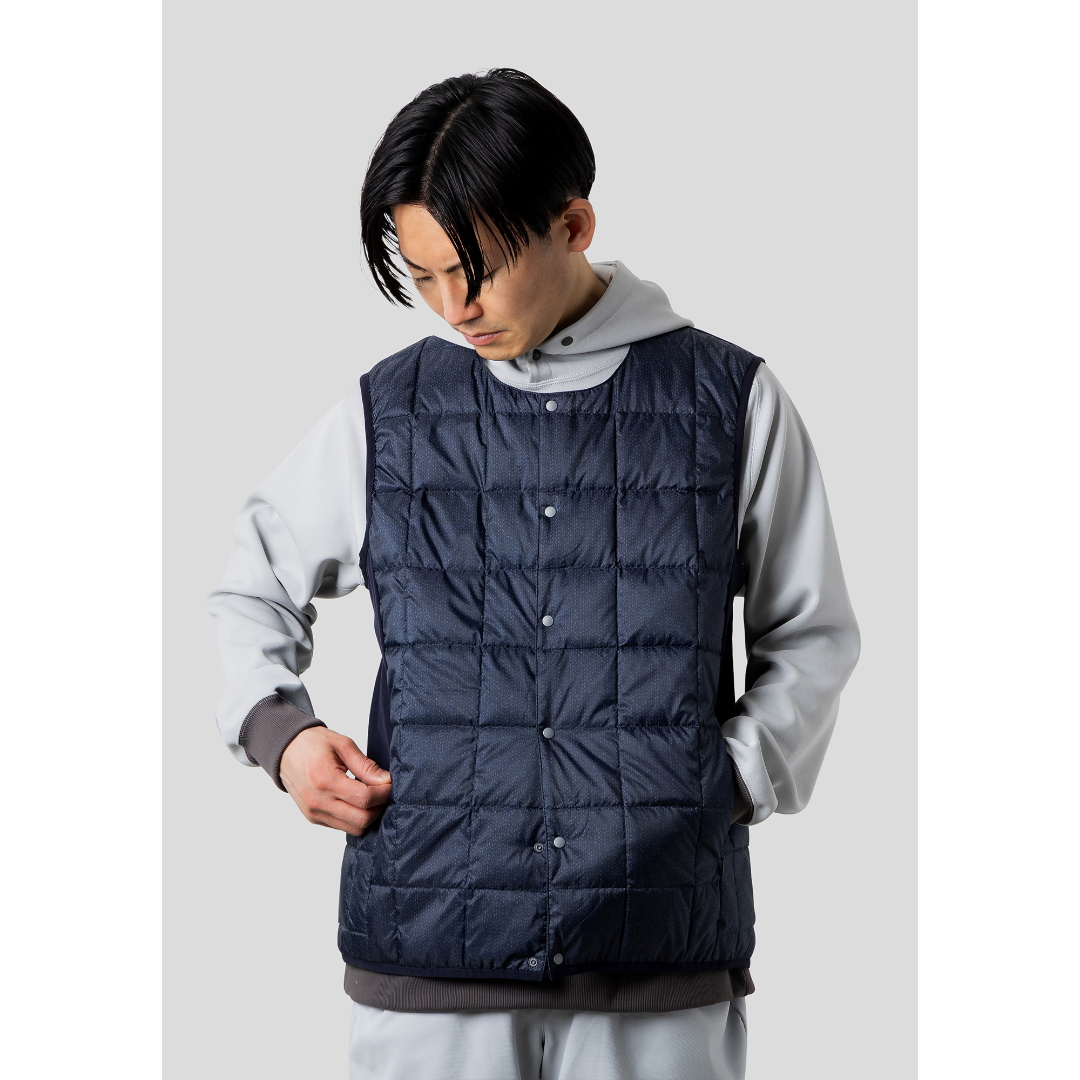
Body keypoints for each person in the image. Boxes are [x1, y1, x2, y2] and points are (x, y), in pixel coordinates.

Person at [208, 68, 861, 1080]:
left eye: (475, 270)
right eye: (424, 276)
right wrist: (281, 737)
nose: (452, 307)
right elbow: (253, 580)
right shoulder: (389, 410)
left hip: (658, 956)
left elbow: (811, 634)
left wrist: (723, 782)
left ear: (573, 224)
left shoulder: (731, 400)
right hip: (427, 947)